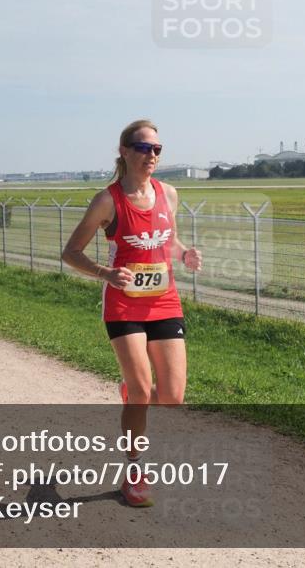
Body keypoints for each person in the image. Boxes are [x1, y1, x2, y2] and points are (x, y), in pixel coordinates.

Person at [62, 119, 202, 508]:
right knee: (142, 391)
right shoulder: (108, 200)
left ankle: (131, 395)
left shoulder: (168, 194)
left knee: (172, 397)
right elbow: (70, 252)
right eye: (143, 148)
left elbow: (166, 241)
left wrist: (185, 253)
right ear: (124, 151)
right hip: (124, 303)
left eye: (157, 149)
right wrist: (106, 273)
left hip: (165, 301)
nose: (151, 155)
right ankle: (135, 471)